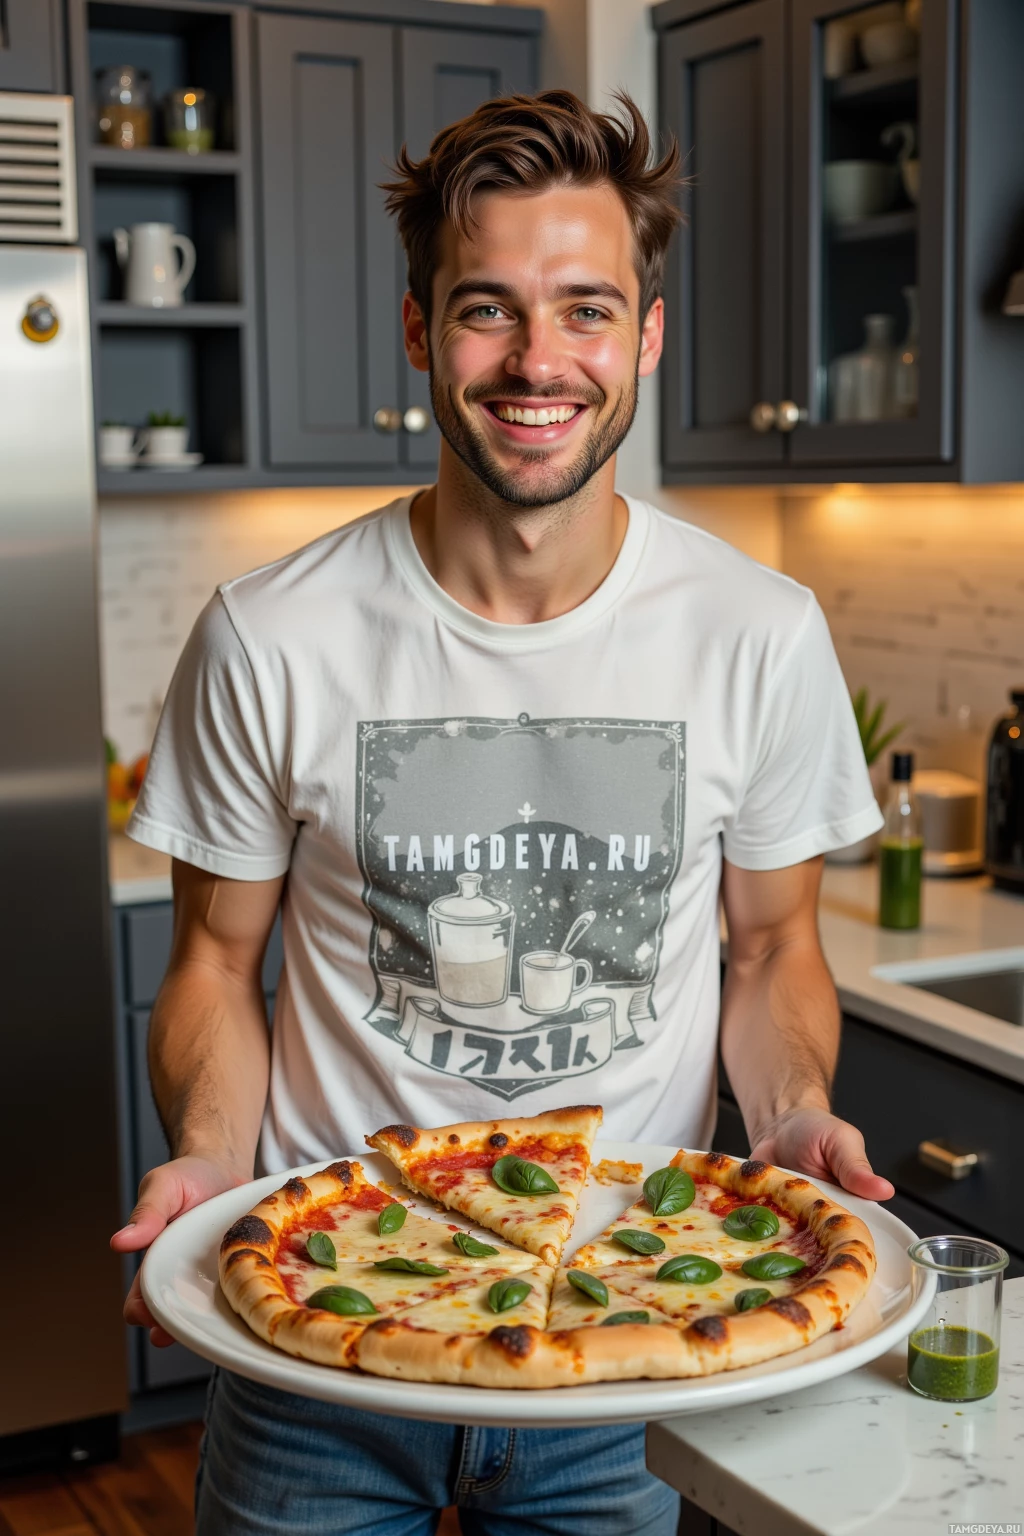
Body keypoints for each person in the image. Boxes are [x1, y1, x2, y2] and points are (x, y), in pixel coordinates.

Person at [113, 89, 892, 1535]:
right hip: (326, 1326)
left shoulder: (759, 633)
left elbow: (772, 949)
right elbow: (216, 971)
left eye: (587, 309)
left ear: (647, 339)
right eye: (488, 310)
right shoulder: (267, 634)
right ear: (418, 333)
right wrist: (218, 1168)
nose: (541, 361)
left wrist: (792, 1122)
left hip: (638, 1322)